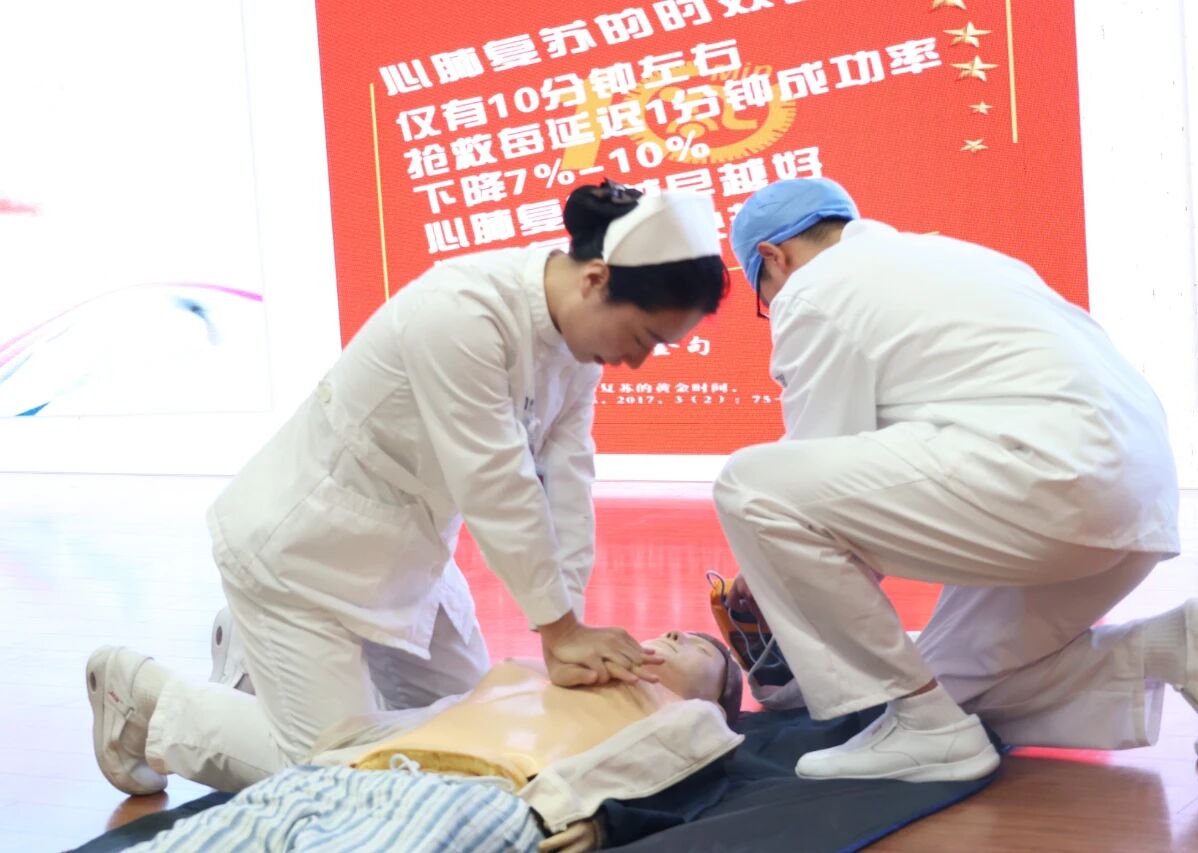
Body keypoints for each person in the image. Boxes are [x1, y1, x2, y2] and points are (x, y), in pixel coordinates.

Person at [85, 181, 730, 796]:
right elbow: (496, 482)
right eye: (643, 339)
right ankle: (141, 696)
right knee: (339, 773)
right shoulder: (462, 312)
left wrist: (572, 624)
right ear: (596, 281)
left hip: (407, 550)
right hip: (297, 549)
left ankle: (256, 664)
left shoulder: (576, 343)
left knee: (476, 731)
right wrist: (558, 630)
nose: (636, 361)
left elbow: (568, 480)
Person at [713, 177, 1198, 782]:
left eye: (764, 295)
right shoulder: (954, 256)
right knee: (946, 691)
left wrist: (773, 588)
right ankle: (1178, 646)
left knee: (749, 487)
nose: (774, 305)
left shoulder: (814, 289)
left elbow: (812, 480)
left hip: (1048, 483)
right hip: (1135, 501)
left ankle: (928, 729)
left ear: (773, 257)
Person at [115, 631, 746, 853]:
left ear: (716, 698)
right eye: (670, 629)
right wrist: (335, 757)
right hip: (346, 774)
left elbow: (668, 769)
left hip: (473, 793)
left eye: (694, 645)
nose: (669, 637)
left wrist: (590, 818)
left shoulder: (687, 715)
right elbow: (426, 716)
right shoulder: (531, 671)